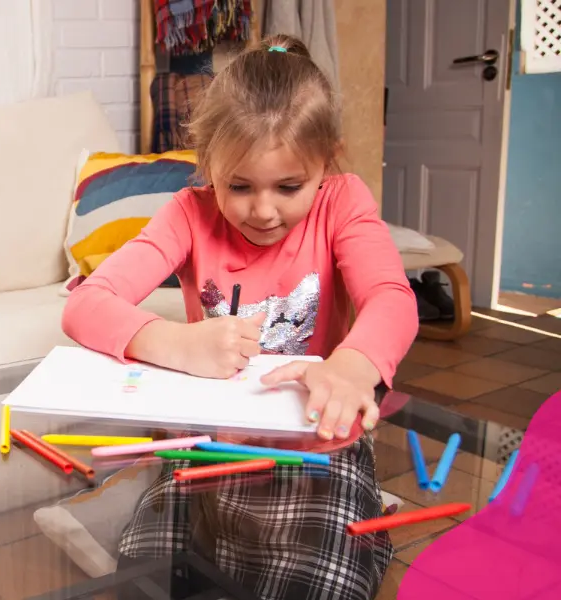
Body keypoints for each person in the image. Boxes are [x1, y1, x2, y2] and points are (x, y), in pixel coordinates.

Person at [61, 35, 418, 600]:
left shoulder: (343, 201)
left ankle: (368, 507)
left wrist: (350, 366)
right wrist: (174, 343)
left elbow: (392, 298)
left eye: (289, 186)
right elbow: (85, 303)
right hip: (210, 446)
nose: (264, 210)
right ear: (208, 165)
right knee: (144, 577)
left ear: (328, 162)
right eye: (239, 186)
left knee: (315, 585)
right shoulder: (188, 212)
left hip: (315, 445)